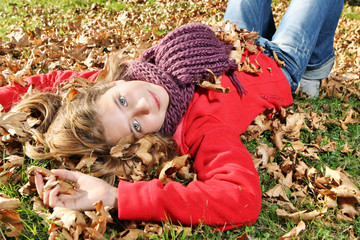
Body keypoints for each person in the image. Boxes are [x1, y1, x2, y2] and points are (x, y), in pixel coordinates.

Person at [0, 0, 342, 230]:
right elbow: (240, 199)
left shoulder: (126, 77)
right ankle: (315, 65)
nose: (144, 105)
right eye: (136, 125)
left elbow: (51, 84)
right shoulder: (198, 127)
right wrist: (119, 198)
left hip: (234, 37)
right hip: (277, 62)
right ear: (142, 139)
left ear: (112, 83)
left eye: (122, 100)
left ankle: (319, 58)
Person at [224, 0, 343, 97]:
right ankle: (313, 68)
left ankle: (314, 68)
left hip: (232, 46)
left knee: (232, 33)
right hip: (273, 67)